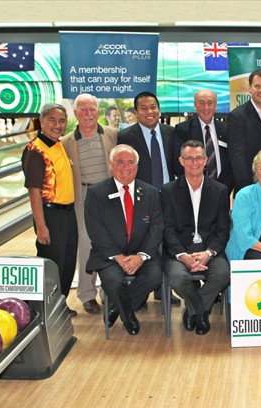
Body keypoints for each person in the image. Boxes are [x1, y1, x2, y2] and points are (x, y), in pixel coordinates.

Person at [84, 144, 164, 336]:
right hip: (109, 255)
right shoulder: (96, 193)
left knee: (154, 276)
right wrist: (118, 257)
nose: (125, 167)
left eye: (130, 163)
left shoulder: (150, 192)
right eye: (120, 162)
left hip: (141, 254)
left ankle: (117, 310)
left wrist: (141, 257)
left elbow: (156, 227)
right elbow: (95, 230)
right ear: (111, 165)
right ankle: (128, 316)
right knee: (113, 280)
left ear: (137, 166)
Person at [161, 140, 230, 336]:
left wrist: (208, 254)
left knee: (223, 274)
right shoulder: (168, 191)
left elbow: (222, 230)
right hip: (180, 252)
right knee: (177, 277)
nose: (194, 163)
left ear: (206, 160)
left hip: (210, 251)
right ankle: (201, 311)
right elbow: (167, 230)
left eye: (199, 158)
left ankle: (193, 310)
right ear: (181, 161)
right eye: (189, 158)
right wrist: (183, 255)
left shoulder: (220, 191)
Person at [62, 94, 117, 315]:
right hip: (83, 195)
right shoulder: (66, 142)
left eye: (92, 109)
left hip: (109, 193)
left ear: (97, 110)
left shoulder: (112, 135)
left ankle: (109, 292)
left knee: (112, 242)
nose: (88, 113)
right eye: (83, 109)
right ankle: (86, 294)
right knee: (85, 245)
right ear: (75, 113)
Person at [22, 103, 78, 316]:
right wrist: (41, 226)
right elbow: (34, 192)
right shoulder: (36, 150)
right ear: (42, 121)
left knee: (67, 262)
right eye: (52, 120)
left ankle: (60, 305)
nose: (57, 125)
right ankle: (45, 310)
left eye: (62, 120)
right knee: (53, 264)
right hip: (50, 214)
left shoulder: (58, 144)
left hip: (67, 213)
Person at [174, 89, 233, 194]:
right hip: (193, 191)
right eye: (201, 103)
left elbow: (231, 162)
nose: (206, 107)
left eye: (210, 103)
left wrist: (224, 188)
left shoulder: (226, 129)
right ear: (195, 105)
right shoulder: (183, 130)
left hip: (222, 190)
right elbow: (178, 163)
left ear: (215, 105)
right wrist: (194, 185)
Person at [117, 91, 179, 188]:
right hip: (140, 195)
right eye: (144, 108)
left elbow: (177, 165)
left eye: (153, 107)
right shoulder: (125, 137)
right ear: (136, 112)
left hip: (169, 194)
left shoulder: (172, 133)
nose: (149, 111)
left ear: (159, 109)